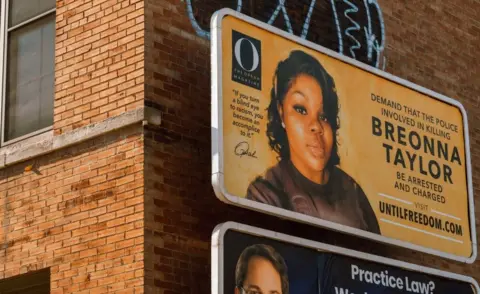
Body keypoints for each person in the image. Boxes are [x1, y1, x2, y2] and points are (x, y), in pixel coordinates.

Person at [246, 50, 380, 234]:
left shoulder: (353, 193)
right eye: (301, 110)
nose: (316, 126)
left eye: (324, 116)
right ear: (281, 113)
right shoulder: (266, 194)